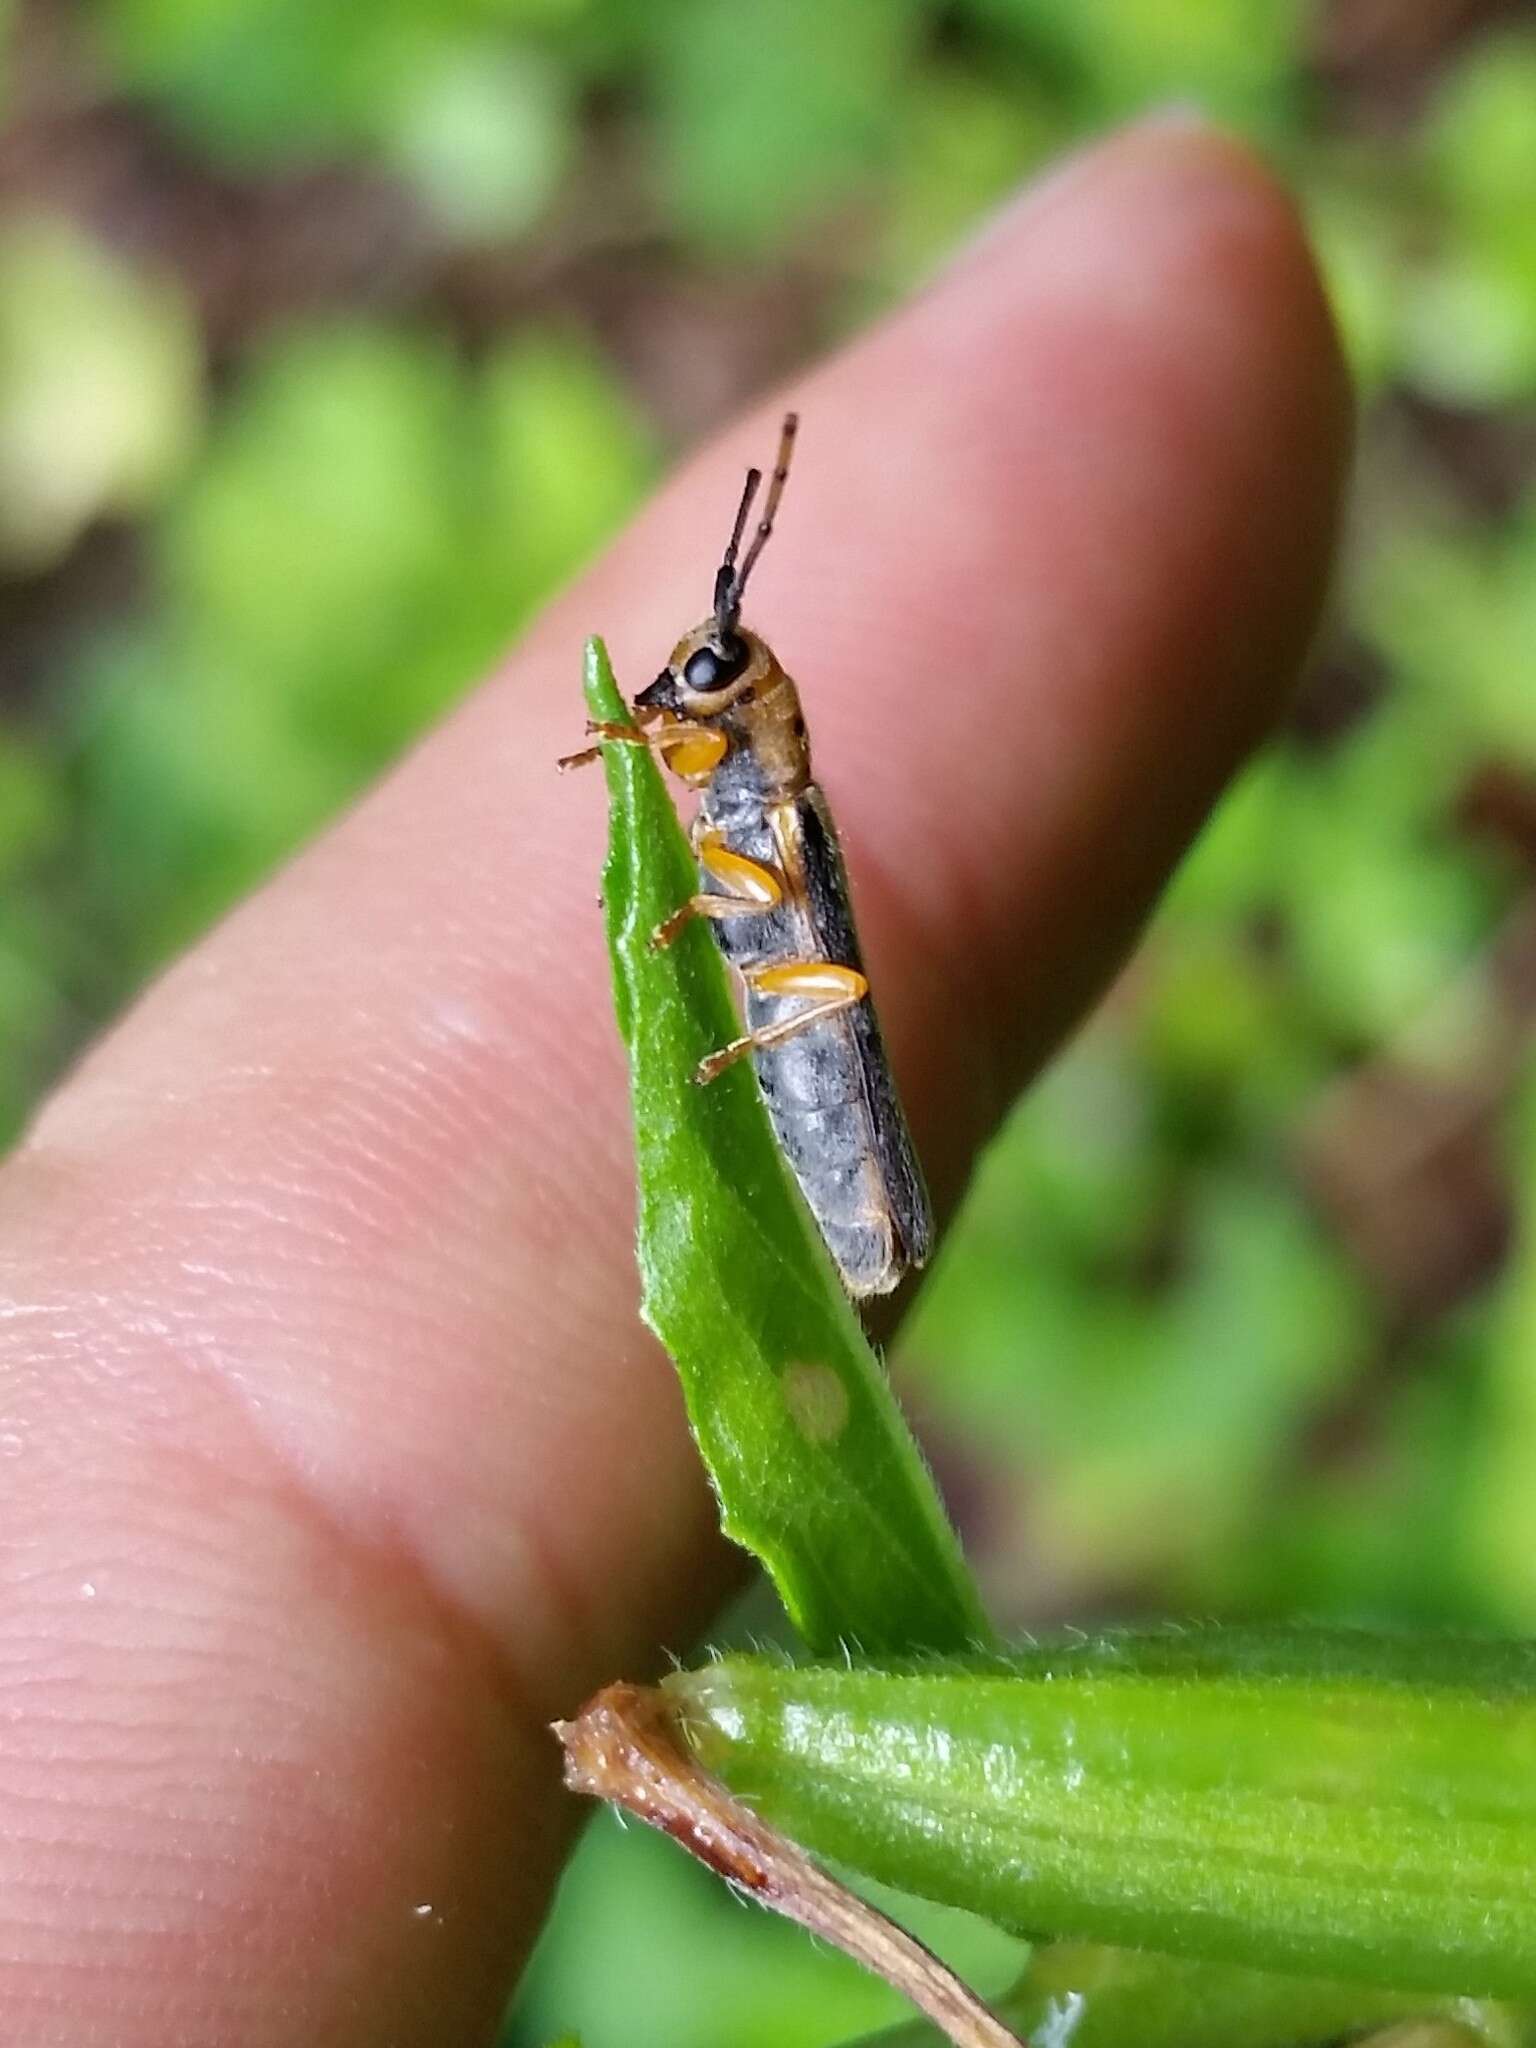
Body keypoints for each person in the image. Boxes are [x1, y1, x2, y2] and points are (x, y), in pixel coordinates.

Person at [0, 115, 1350, 2047]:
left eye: (690, 699)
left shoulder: (756, 788)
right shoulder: (722, 763)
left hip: (819, 1076)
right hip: (792, 1046)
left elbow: (771, 913)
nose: (674, 712)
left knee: (804, 966)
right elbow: (699, 805)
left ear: (732, 704)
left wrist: (712, 974)